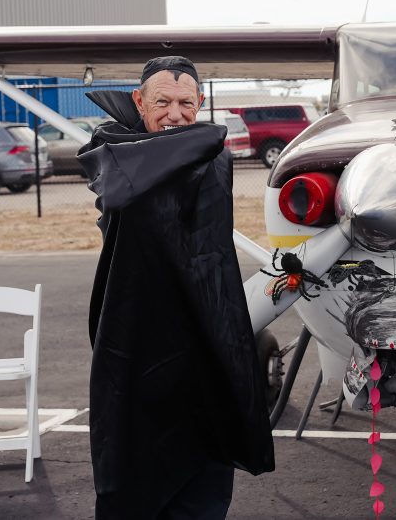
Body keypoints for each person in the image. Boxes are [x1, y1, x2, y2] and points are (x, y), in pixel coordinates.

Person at [77, 56, 275, 519]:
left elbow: (211, 253)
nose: (175, 114)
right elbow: (123, 178)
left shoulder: (211, 161)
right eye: (162, 102)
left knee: (202, 461)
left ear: (200, 102)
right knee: (133, 464)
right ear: (139, 101)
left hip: (201, 328)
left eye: (187, 104)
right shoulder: (112, 153)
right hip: (134, 335)